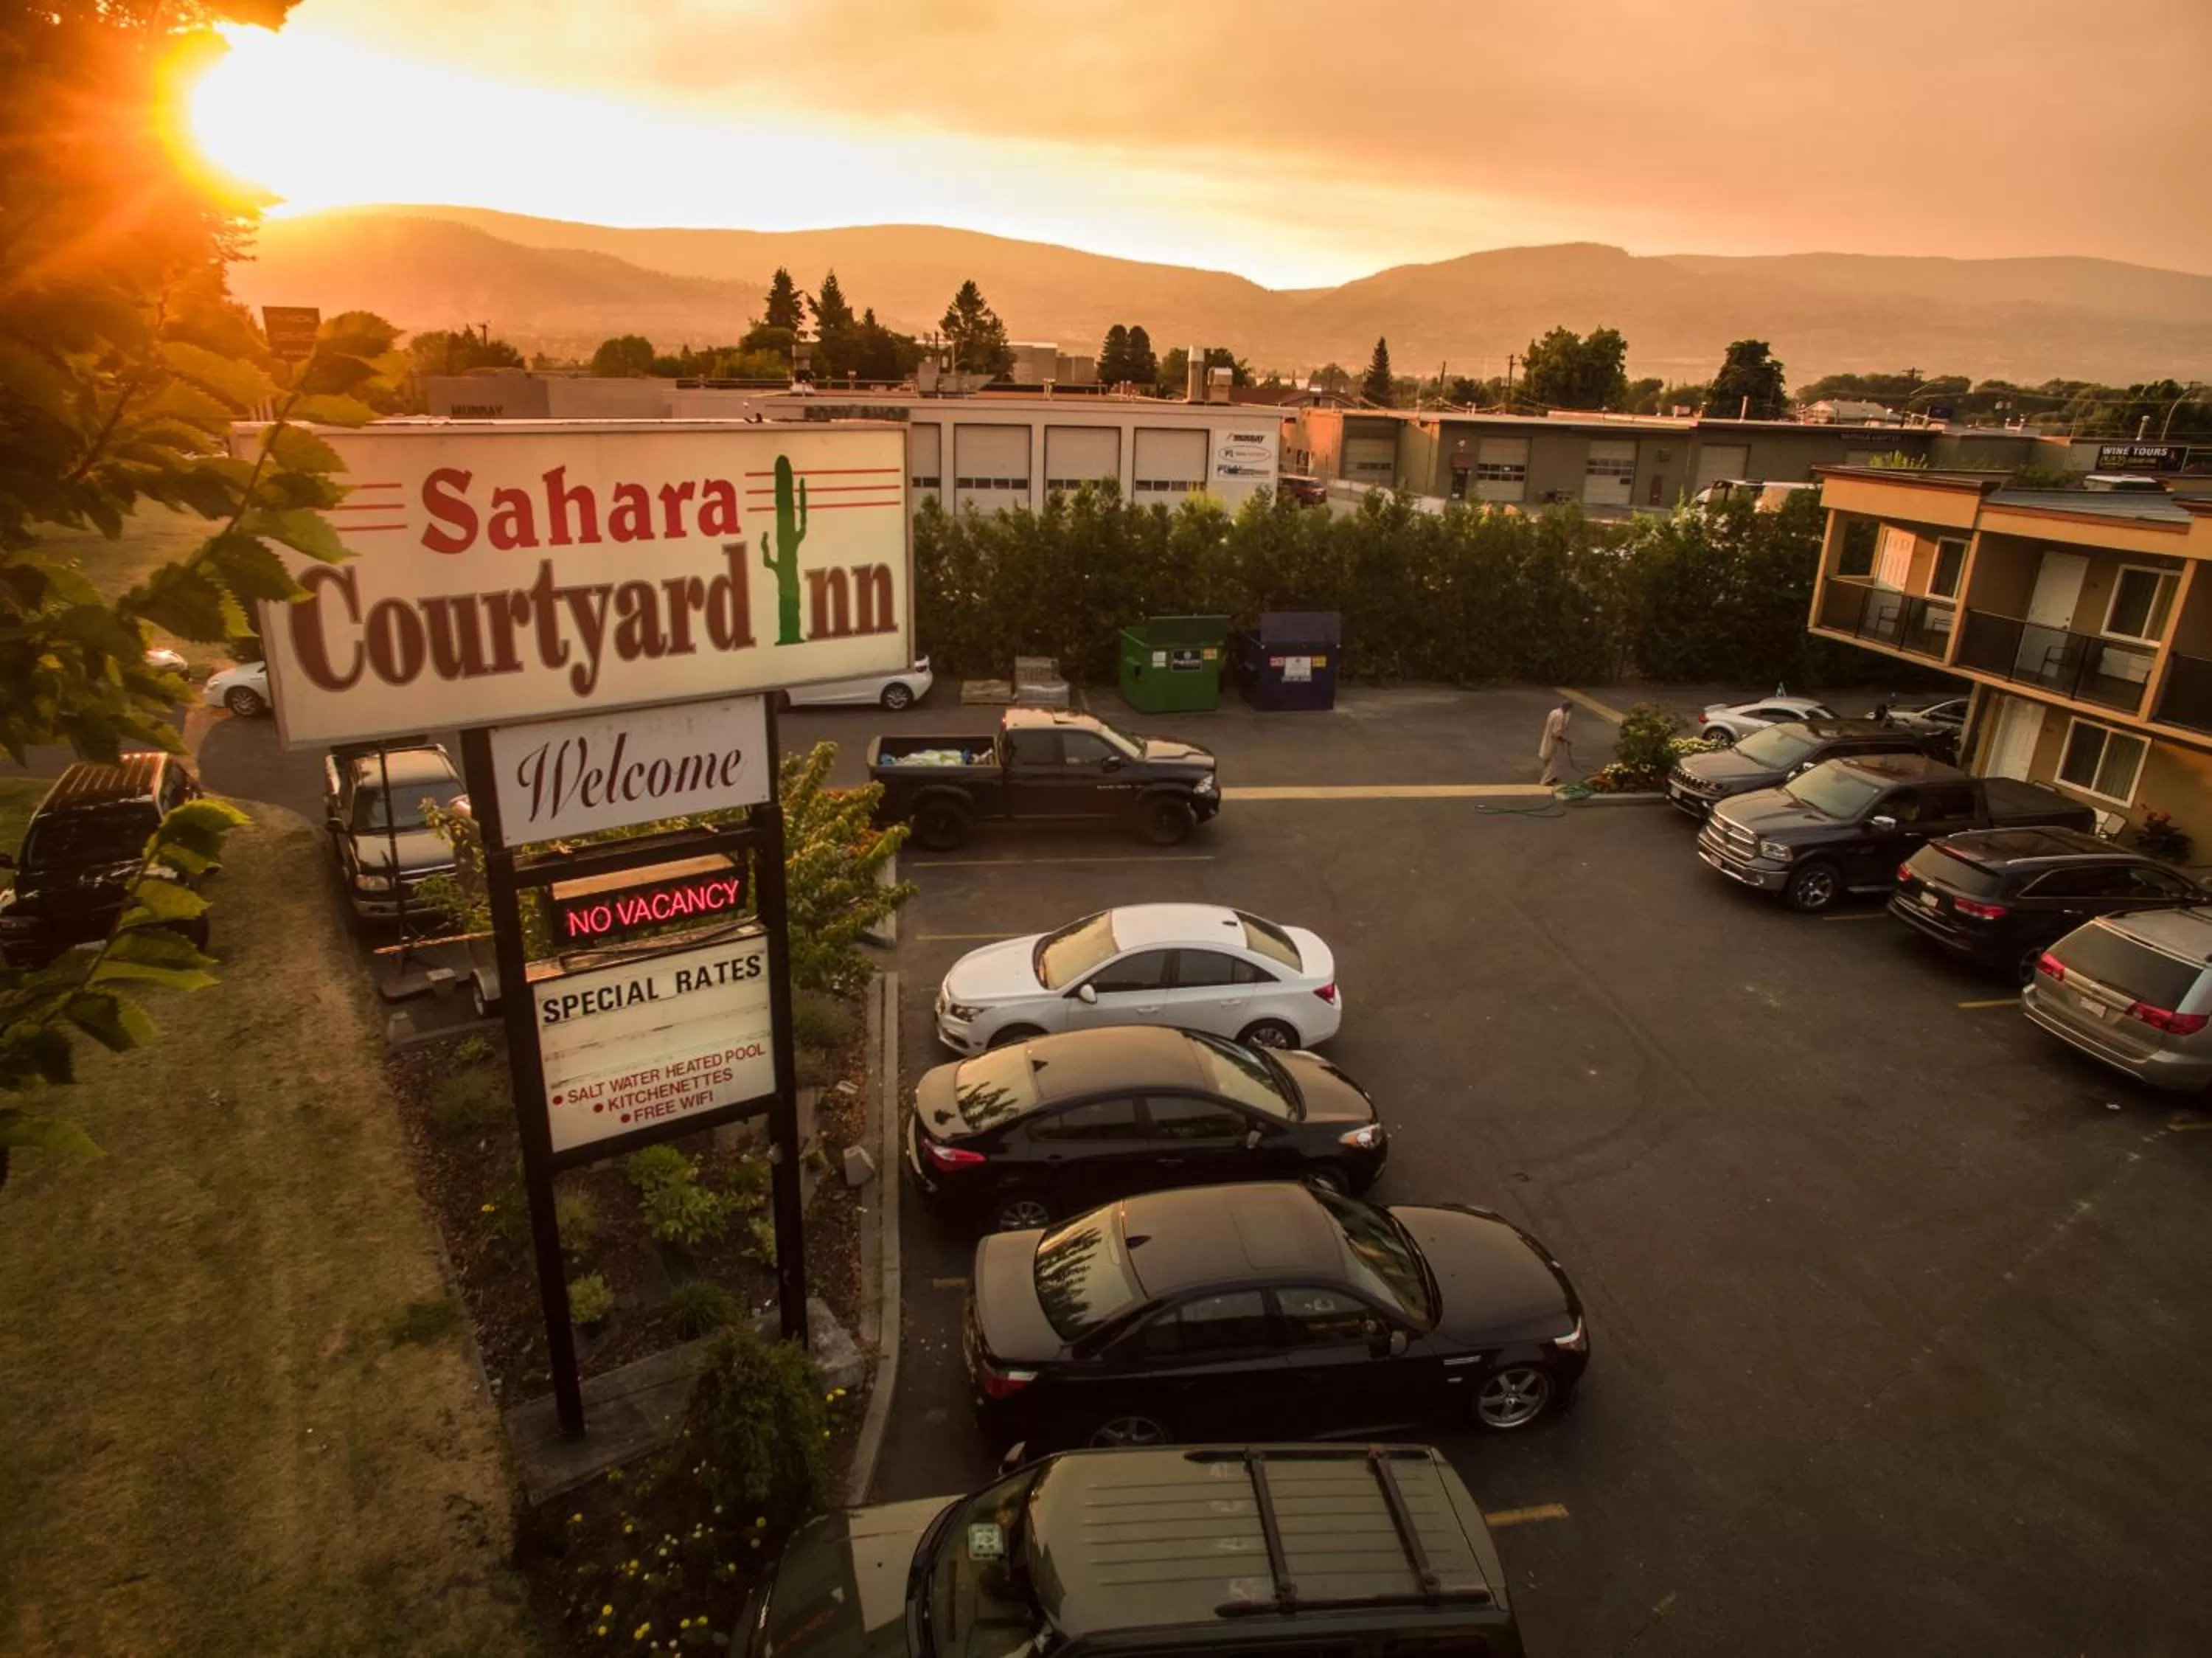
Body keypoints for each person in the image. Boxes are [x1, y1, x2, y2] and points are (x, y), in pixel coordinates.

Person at [1539, 700, 1574, 786]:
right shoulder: (1560, 716)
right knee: (1554, 761)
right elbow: (1556, 733)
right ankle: (1546, 780)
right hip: (1554, 742)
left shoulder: (1554, 712)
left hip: (1548, 738)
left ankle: (1552, 776)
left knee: (1548, 758)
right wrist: (1566, 741)